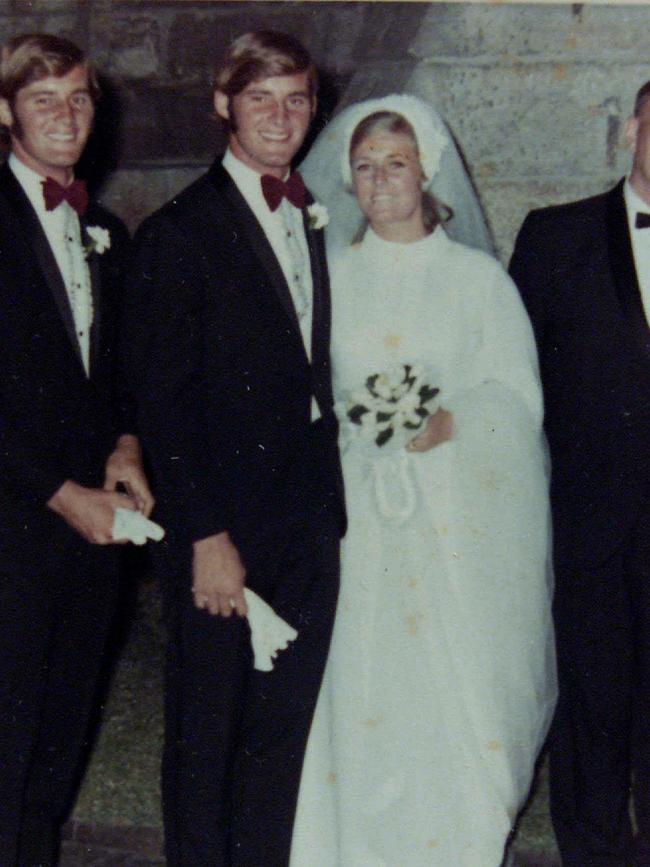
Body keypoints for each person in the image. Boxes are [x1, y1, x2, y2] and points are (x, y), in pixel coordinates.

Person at [291, 94, 557, 867]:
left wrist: (452, 423)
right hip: (356, 521)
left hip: (451, 522)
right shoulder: (329, 277)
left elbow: (517, 394)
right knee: (360, 686)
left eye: (395, 165)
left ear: (426, 172)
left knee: (449, 691)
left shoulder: (477, 281)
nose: (379, 184)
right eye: (364, 168)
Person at [122, 31, 344, 865]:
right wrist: (206, 537)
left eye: (296, 99)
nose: (281, 117)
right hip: (224, 538)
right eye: (261, 99)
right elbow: (163, 407)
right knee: (207, 740)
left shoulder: (314, 215)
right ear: (223, 105)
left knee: (278, 741)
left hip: (308, 525)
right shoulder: (180, 233)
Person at [0, 32, 153, 866]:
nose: (67, 116)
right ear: (4, 112)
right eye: (43, 99)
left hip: (87, 542)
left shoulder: (106, 233)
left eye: (80, 98)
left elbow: (114, 374)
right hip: (13, 526)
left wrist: (126, 445)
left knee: (59, 742)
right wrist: (61, 491)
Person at [510, 80, 650, 867]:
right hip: (587, 520)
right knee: (591, 704)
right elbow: (513, 380)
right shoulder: (554, 237)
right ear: (632, 127)